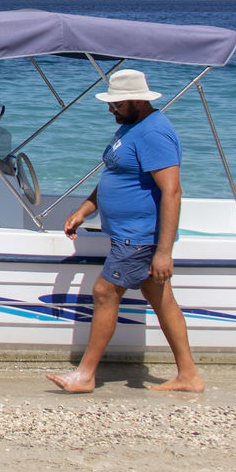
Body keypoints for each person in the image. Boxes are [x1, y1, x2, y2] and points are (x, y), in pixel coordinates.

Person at [46, 68, 204, 393]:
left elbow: (172, 191)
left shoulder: (153, 134)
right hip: (130, 234)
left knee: (105, 293)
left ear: (135, 101)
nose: (110, 109)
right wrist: (83, 210)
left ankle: (86, 375)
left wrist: (163, 252)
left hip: (139, 237)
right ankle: (188, 375)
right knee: (162, 301)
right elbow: (115, 177)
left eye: (116, 104)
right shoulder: (130, 127)